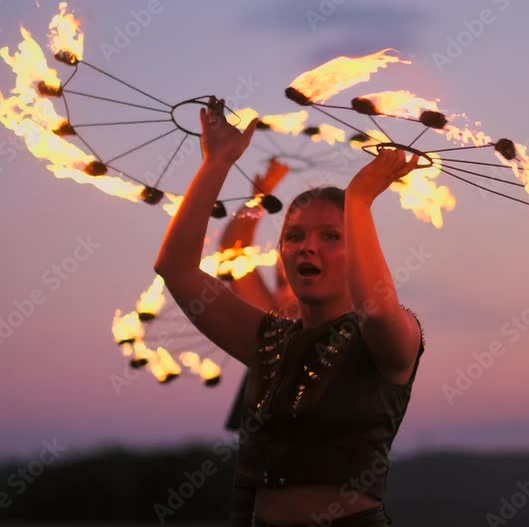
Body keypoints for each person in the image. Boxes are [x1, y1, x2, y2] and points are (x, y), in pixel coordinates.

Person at [154, 97, 424, 527]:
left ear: (361, 253)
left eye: (331, 235)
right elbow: (177, 269)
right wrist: (217, 163)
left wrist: (359, 201)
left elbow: (375, 308)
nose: (307, 246)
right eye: (293, 236)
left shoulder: (392, 335)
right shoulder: (269, 339)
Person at [218, 158, 300, 526]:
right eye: (281, 283)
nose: (288, 293)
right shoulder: (273, 329)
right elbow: (233, 253)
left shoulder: (355, 334)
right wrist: (258, 200)